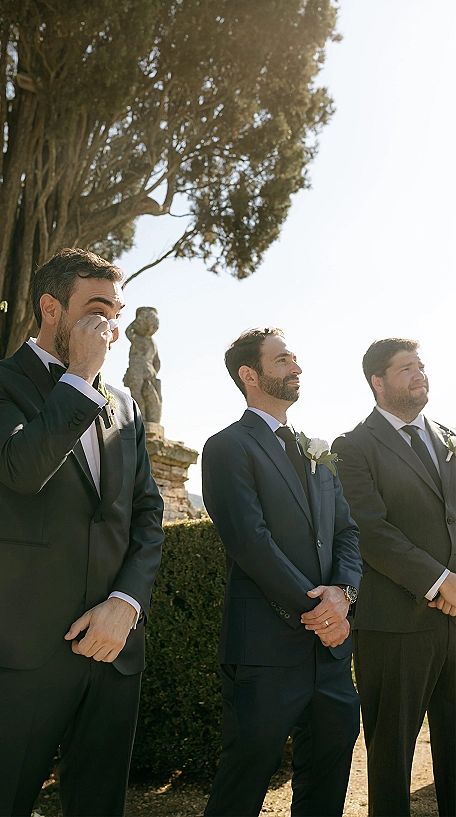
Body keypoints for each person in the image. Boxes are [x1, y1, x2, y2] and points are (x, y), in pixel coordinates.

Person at [0, 248, 164, 817]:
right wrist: (82, 377)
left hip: (113, 645)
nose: (109, 327)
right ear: (50, 309)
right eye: (96, 310)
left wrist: (126, 603)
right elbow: (22, 469)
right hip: (19, 646)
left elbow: (145, 513)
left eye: (116, 311)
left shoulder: (127, 404)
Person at [202, 328, 362, 817]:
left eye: (295, 358)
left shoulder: (317, 450)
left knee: (328, 780)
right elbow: (251, 542)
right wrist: (319, 610)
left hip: (331, 656)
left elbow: (348, 534)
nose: (296, 367)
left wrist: (344, 595)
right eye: (283, 359)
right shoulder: (227, 446)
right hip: (265, 653)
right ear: (249, 375)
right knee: (243, 783)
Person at [334, 338, 456, 817]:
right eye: (407, 368)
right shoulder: (354, 446)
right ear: (377, 381)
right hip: (394, 626)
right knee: (391, 758)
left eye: (422, 366)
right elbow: (369, 528)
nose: (420, 373)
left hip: (455, 619)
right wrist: (439, 581)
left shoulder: (449, 436)